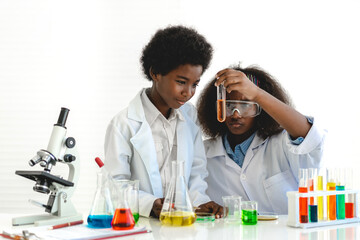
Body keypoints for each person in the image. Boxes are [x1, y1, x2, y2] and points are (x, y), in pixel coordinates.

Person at [104, 25, 223, 219]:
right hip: (144, 224)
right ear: (156, 73)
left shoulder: (189, 115)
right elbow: (115, 184)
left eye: (195, 84)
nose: (189, 92)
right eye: (181, 82)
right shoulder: (123, 124)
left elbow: (196, 172)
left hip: (183, 222)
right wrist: (150, 204)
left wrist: (200, 201)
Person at [196, 64, 326, 214]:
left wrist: (257, 93)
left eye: (246, 105)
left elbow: (309, 138)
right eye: (229, 105)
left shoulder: (281, 144)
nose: (236, 114)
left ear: (261, 108)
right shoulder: (202, 153)